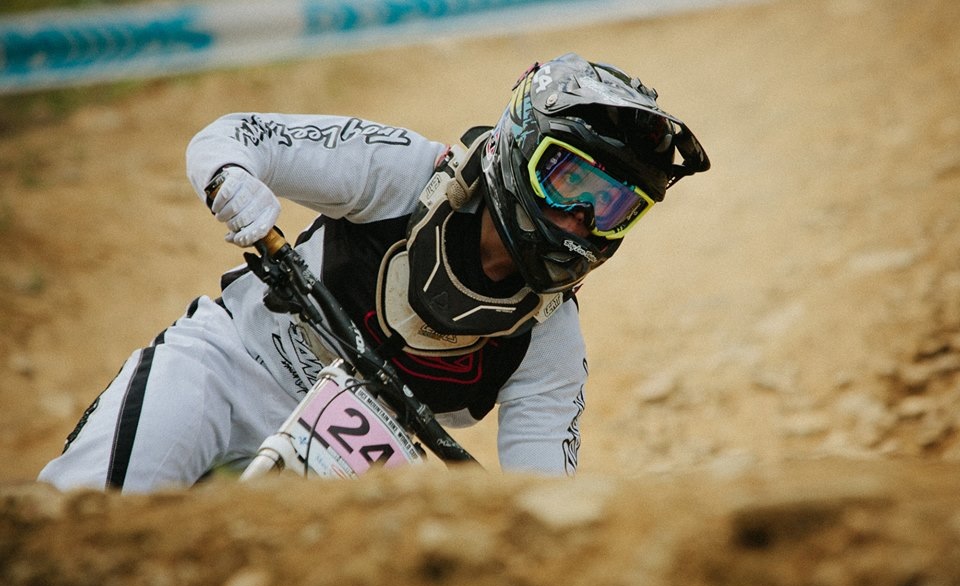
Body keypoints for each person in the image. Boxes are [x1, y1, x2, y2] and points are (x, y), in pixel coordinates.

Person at [38, 52, 710, 492]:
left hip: (352, 473)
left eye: (613, 206)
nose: (581, 221)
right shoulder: (400, 171)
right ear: (517, 149)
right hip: (227, 370)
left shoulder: (550, 343)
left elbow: (541, 502)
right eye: (568, 181)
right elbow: (233, 135)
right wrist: (230, 177)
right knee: (86, 516)